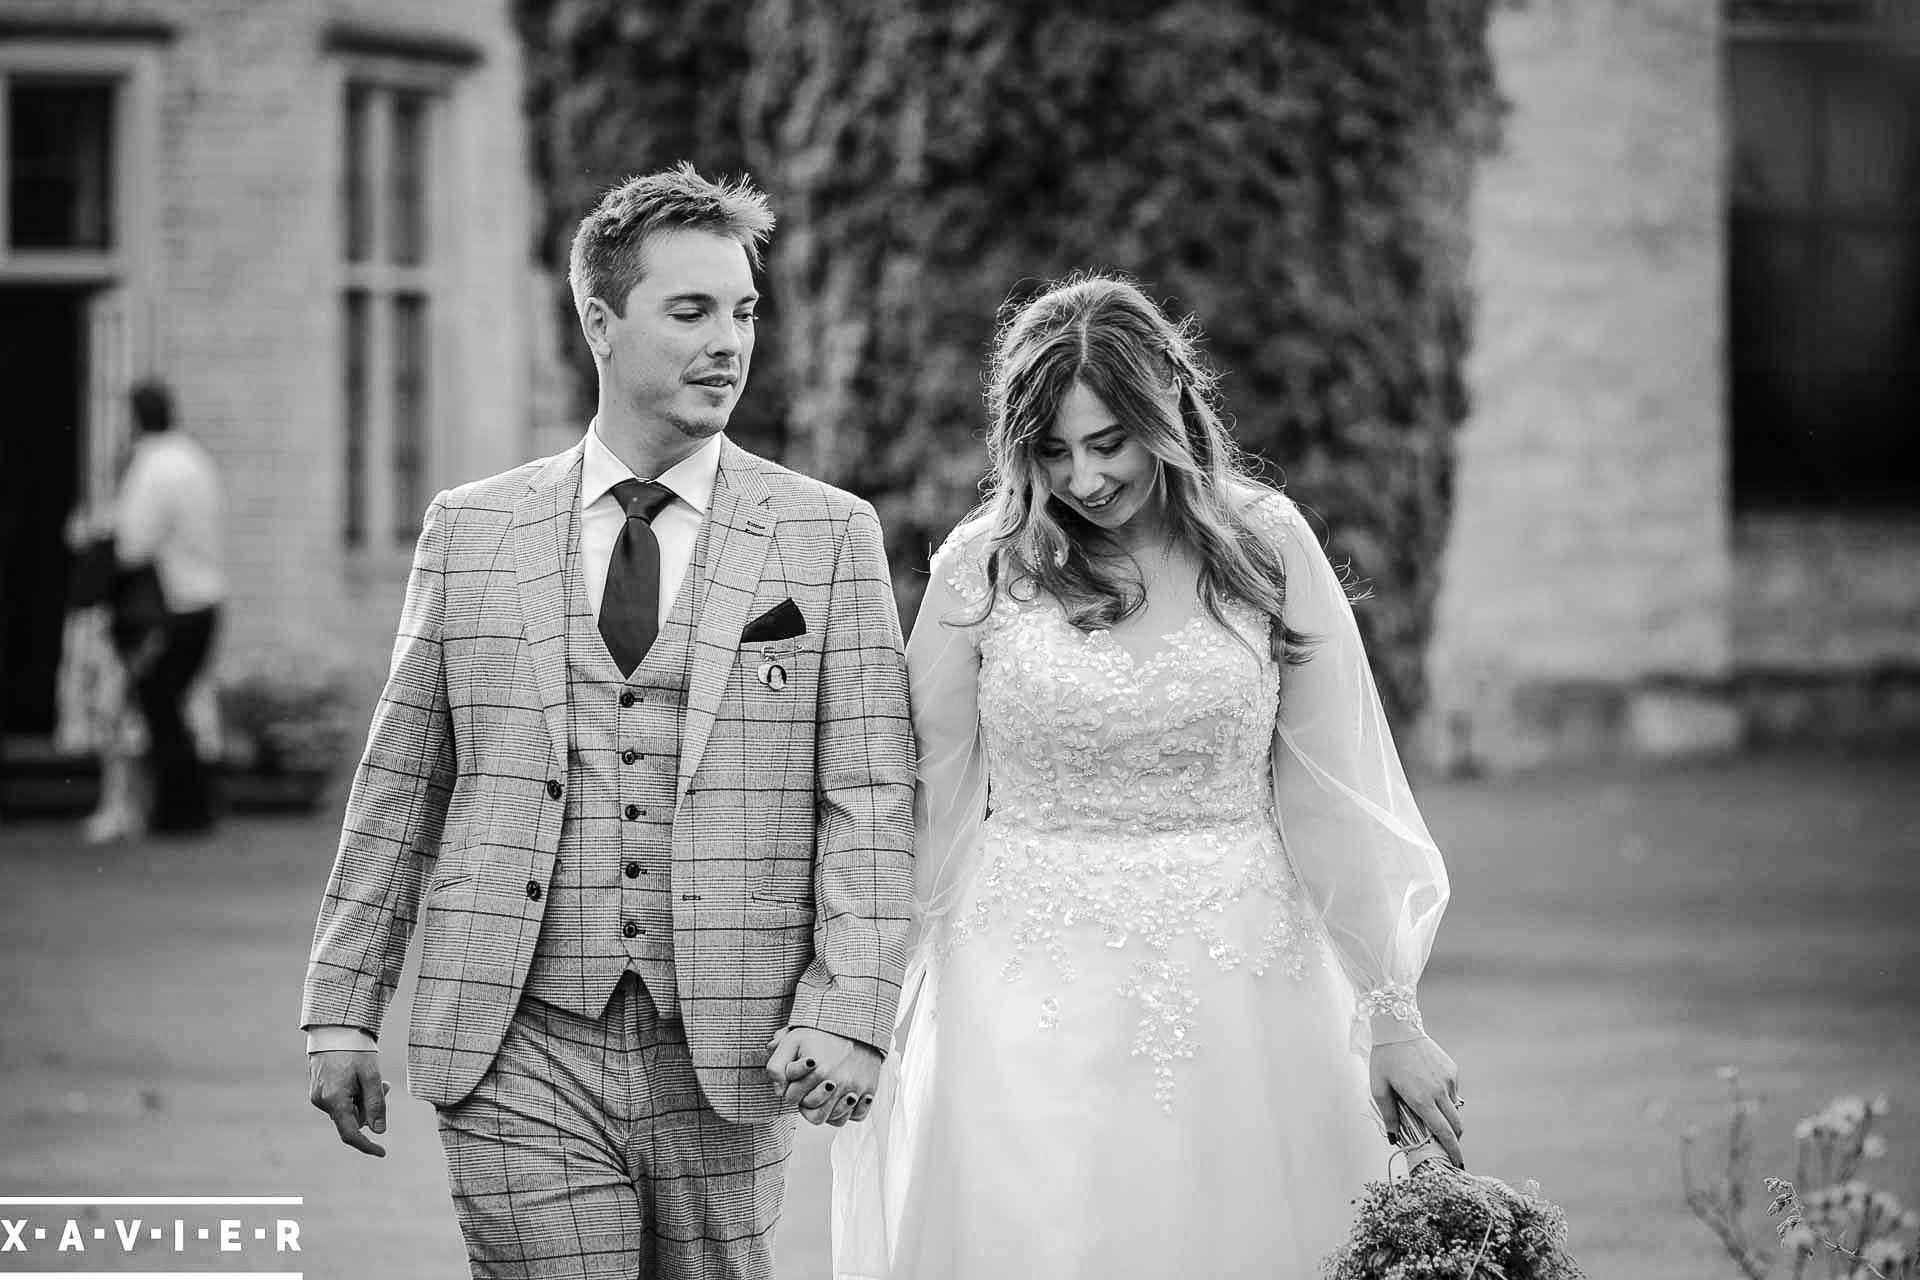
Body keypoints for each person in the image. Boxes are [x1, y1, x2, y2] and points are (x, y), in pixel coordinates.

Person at [303, 163, 916, 1280]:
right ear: (600, 319)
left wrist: (851, 1007)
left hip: (730, 1049)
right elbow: (402, 783)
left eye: (742, 311)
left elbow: (870, 796)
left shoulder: (827, 536)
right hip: (515, 1033)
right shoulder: (471, 530)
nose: (728, 341)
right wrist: (342, 1007)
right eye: (690, 311)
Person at [831, 274, 1461, 1279]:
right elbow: (914, 806)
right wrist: (856, 1008)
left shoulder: (1265, 544)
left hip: (1249, 985)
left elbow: (1329, 794)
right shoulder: (980, 567)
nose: (1081, 478)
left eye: (1107, 440)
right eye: (1051, 449)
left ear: (1165, 406)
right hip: (1019, 992)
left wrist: (1392, 1012)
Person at [114, 380, 224, 834]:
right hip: (210, 595)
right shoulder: (196, 459)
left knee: (159, 703)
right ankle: (190, 805)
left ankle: (179, 812)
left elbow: (133, 545)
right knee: (171, 702)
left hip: (174, 601)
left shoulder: (153, 466)